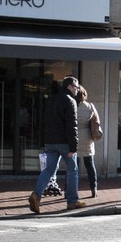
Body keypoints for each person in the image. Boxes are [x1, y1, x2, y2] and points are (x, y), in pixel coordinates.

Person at [28, 76, 84, 214]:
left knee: (48, 170)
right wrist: (73, 147)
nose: (77, 89)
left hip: (50, 142)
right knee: (72, 170)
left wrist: (43, 141)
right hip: (65, 142)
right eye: (76, 87)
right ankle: (72, 201)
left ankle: (36, 195)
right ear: (70, 86)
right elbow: (72, 125)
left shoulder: (51, 99)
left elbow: (42, 121)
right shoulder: (70, 101)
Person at [75, 85, 99, 198]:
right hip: (87, 136)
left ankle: (69, 190)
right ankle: (93, 188)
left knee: (73, 166)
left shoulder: (72, 105)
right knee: (89, 164)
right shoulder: (90, 106)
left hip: (74, 136)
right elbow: (96, 121)